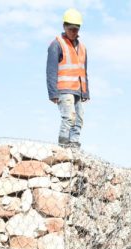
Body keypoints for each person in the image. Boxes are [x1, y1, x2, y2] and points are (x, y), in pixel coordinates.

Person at [46, 8, 89, 148]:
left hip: (78, 90)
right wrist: (53, 93)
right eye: (70, 29)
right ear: (64, 26)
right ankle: (63, 146)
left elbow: (84, 71)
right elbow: (51, 70)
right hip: (64, 90)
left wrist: (85, 92)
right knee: (69, 117)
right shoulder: (57, 44)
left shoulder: (82, 48)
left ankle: (74, 143)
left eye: (76, 29)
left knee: (79, 118)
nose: (73, 32)